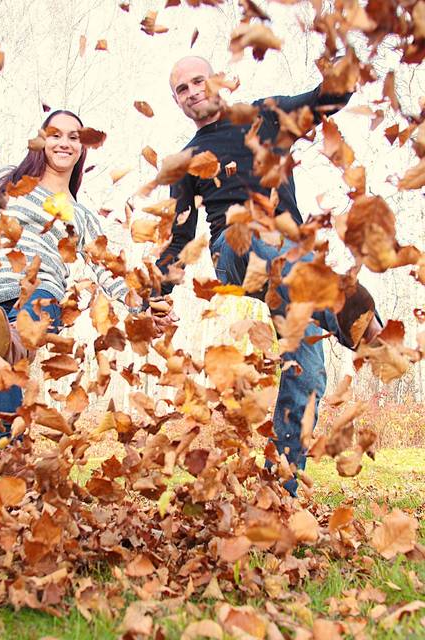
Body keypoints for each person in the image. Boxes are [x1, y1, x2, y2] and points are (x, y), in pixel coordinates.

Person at [158, 55, 383, 495]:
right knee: (252, 227)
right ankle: (350, 318)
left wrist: (342, 74)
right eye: (182, 90)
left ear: (217, 80)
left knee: (308, 370)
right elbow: (179, 237)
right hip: (236, 249)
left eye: (198, 81)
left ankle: (278, 488)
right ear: (177, 101)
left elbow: (322, 102)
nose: (192, 93)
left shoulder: (265, 115)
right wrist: (155, 298)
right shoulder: (186, 159)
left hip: (293, 258)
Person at [0, 109, 144, 446]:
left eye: (73, 136)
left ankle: (12, 345)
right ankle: (14, 470)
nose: (64, 142)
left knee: (6, 364)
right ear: (41, 141)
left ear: (82, 147)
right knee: (5, 388)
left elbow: (106, 270)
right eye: (55, 134)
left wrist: (143, 304)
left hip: (41, 290)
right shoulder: (9, 181)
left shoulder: (80, 214)